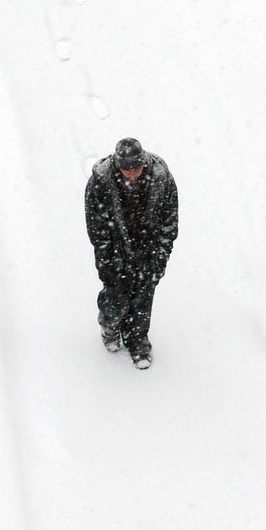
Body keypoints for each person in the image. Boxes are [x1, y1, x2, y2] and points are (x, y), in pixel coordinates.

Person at [84, 138, 178, 369]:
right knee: (115, 299)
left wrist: (160, 257)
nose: (132, 174)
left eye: (136, 168)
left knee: (143, 299)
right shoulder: (101, 182)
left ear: (144, 162)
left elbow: (169, 222)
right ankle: (109, 326)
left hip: (148, 250)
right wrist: (105, 261)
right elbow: (96, 227)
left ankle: (137, 340)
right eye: (126, 169)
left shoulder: (161, 178)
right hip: (116, 251)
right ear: (118, 165)